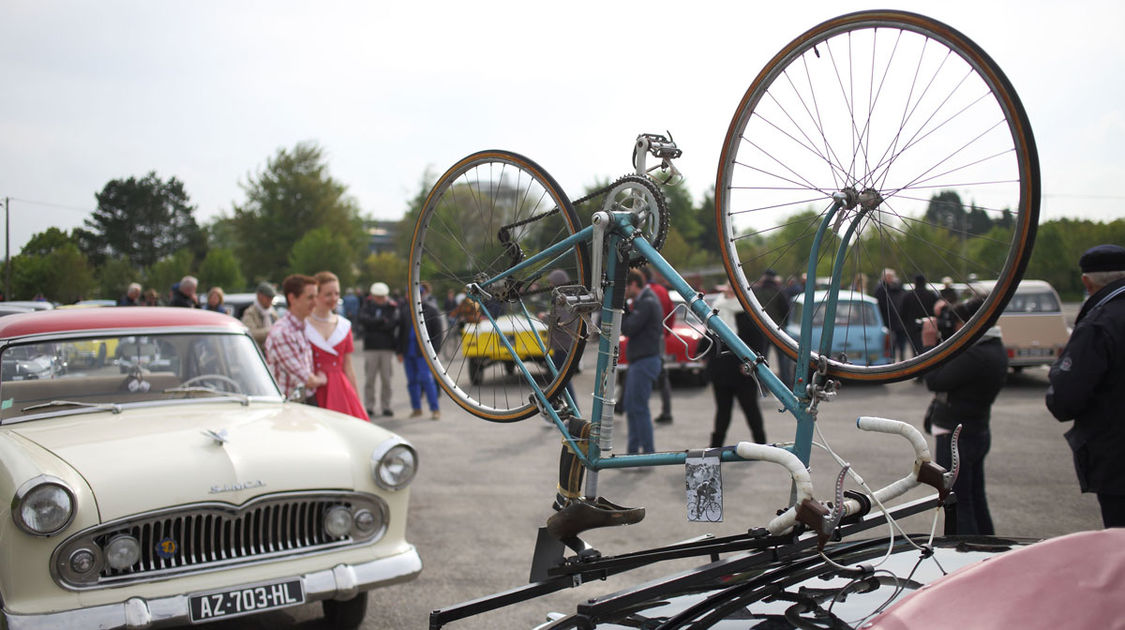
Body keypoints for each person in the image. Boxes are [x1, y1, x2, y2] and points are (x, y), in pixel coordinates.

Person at [1046, 244, 1125, 528]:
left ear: (1086, 282)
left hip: (1116, 463)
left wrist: (1058, 372)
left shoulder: (1099, 324)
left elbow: (1064, 400)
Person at [922, 296, 1007, 535]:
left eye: (959, 323)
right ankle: (986, 550)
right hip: (976, 430)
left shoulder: (975, 354)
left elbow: (934, 380)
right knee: (976, 498)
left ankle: (963, 554)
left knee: (958, 502)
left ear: (972, 323)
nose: (956, 328)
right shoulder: (992, 347)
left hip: (957, 437)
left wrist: (929, 345)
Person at [708, 283, 767, 447]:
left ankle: (761, 444)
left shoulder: (748, 312)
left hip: (743, 371)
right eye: (726, 288)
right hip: (720, 370)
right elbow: (710, 335)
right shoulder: (717, 308)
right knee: (722, 411)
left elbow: (758, 340)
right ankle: (715, 447)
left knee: (750, 409)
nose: (727, 292)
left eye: (731, 289)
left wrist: (752, 362)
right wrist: (703, 355)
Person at [305, 271, 367, 420]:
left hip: (341, 389)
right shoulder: (303, 325)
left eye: (336, 293)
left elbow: (348, 367)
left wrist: (357, 399)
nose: (333, 298)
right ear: (316, 295)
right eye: (328, 294)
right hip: (314, 390)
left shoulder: (344, 325)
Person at [621, 269, 663, 455]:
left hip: (645, 361)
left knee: (638, 408)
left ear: (633, 284)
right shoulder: (643, 301)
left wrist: (621, 305)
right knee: (632, 407)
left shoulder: (646, 302)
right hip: (642, 361)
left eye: (624, 287)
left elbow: (628, 328)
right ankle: (633, 452)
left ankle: (647, 453)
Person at [265, 274, 327, 401]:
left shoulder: (300, 327)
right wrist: (321, 379)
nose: (315, 303)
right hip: (289, 406)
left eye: (316, 297)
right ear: (292, 298)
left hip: (300, 402)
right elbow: (306, 379)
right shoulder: (282, 332)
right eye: (310, 297)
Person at [399, 281, 442, 420]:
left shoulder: (431, 310)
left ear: (422, 294)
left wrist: (434, 352)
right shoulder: (405, 310)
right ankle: (416, 408)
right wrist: (399, 351)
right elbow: (400, 332)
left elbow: (438, 333)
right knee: (412, 381)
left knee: (427, 379)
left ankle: (435, 409)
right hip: (408, 351)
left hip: (424, 353)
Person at [358, 282, 400, 418]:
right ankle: (369, 406)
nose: (380, 299)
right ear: (373, 296)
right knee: (370, 379)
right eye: (377, 297)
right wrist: (381, 321)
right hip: (371, 348)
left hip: (387, 348)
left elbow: (392, 324)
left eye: (382, 297)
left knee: (386, 379)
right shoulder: (367, 306)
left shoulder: (392, 307)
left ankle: (386, 406)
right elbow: (364, 321)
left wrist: (375, 323)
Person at [753, 269, 791, 384]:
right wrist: (784, 324)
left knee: (762, 358)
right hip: (778, 329)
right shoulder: (779, 291)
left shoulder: (756, 292)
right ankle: (786, 383)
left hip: (761, 329)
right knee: (782, 359)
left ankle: (763, 383)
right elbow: (786, 310)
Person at [899, 274, 938, 355]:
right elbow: (936, 312)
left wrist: (906, 325)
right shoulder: (931, 295)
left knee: (916, 353)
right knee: (930, 352)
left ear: (915, 282)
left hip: (912, 329)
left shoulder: (908, 296)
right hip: (929, 328)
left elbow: (902, 313)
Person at [874, 268, 906, 361]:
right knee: (891, 345)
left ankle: (902, 359)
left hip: (900, 321)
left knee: (901, 345)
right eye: (888, 277)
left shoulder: (898, 288)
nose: (890, 279)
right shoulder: (880, 290)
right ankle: (892, 360)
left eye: (891, 277)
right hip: (888, 322)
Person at [241, 282, 279, 349]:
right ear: (259, 296)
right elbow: (250, 333)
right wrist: (271, 331)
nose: (270, 300)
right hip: (257, 352)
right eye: (268, 297)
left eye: (271, 298)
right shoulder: (250, 313)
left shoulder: (272, 313)